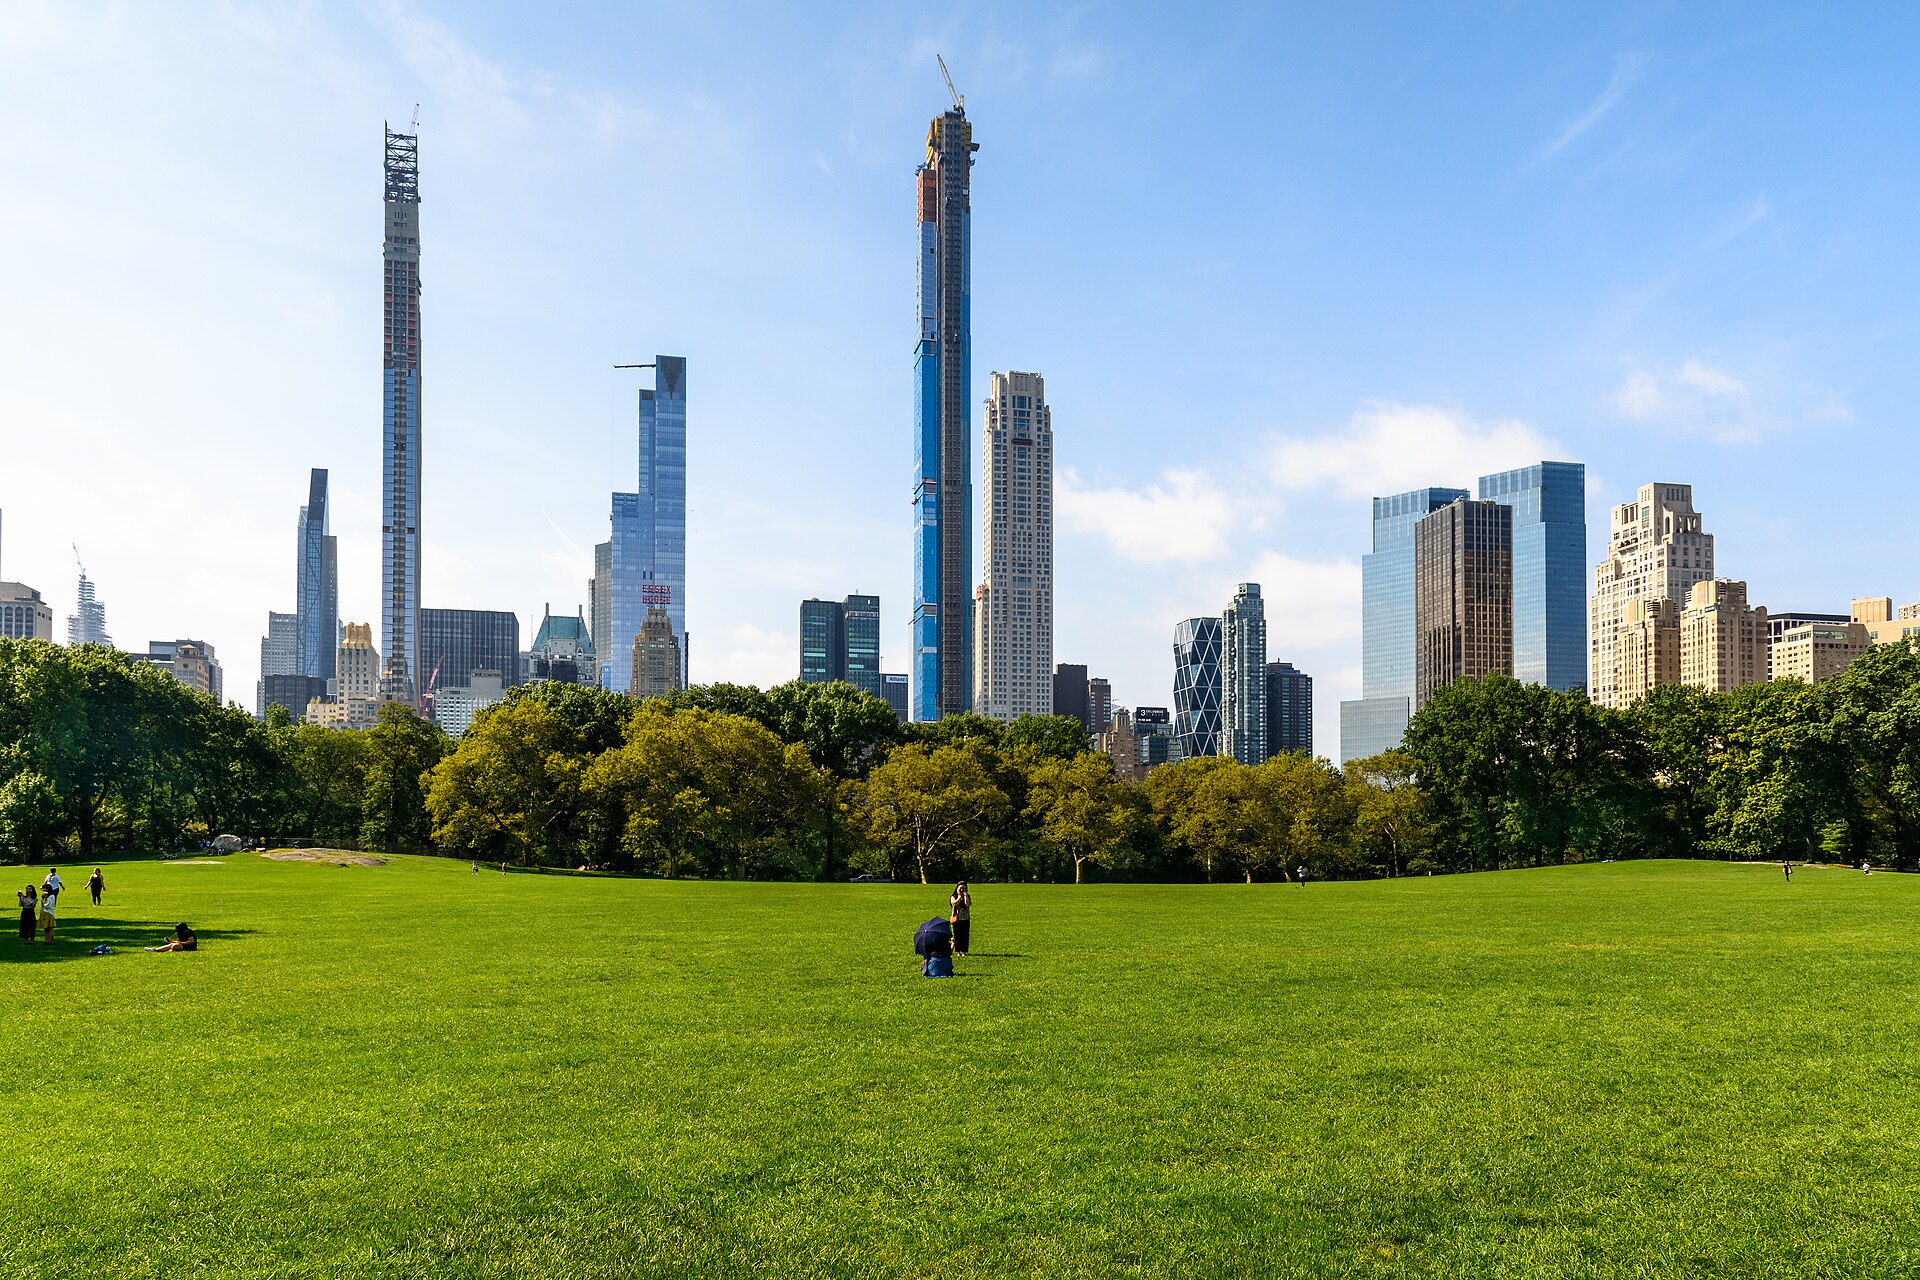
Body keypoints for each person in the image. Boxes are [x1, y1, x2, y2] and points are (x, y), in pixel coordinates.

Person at [950, 881, 972, 957]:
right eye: (960, 888)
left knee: (965, 935)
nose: (962, 890)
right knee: (957, 935)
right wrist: (959, 897)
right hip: (957, 919)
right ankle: (958, 951)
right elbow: (954, 903)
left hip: (965, 918)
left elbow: (967, 904)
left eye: (964, 888)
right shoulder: (953, 896)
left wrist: (965, 896)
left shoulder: (967, 896)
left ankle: (964, 951)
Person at [38, 880, 58, 944]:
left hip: (49, 913)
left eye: (45, 890)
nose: (44, 891)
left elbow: (47, 905)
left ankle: (50, 941)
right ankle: (46, 940)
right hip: (43, 913)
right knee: (45, 928)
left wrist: (45, 898)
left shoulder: (51, 896)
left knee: (50, 928)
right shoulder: (44, 897)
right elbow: (42, 905)